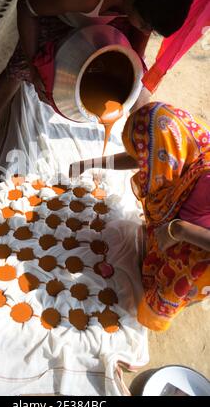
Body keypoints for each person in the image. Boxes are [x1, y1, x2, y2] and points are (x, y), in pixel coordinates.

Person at [0, 0, 195, 148]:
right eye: (146, 25)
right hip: (61, 13)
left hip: (118, 11)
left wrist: (135, 61)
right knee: (18, 69)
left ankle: (138, 134)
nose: (147, 32)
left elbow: (140, 34)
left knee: (130, 69)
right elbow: (27, 7)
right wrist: (33, 64)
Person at [70, 102, 210, 331]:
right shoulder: (189, 143)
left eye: (146, 157)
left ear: (166, 156)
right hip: (187, 223)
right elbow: (141, 157)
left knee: (170, 287)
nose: (143, 168)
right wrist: (90, 163)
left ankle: (165, 305)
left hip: (201, 250)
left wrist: (180, 230)